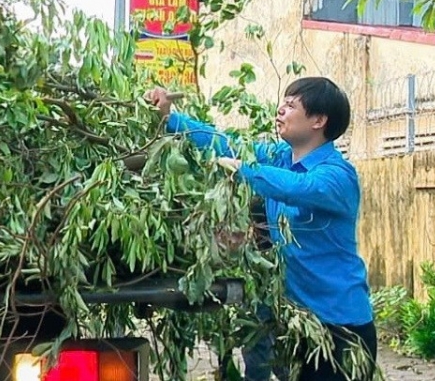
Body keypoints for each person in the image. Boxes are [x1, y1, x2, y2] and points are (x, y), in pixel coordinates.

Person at [145, 77, 377, 381]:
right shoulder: (282, 157)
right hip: (299, 327)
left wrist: (242, 168)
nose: (280, 110)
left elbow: (297, 188)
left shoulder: (338, 176)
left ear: (319, 120)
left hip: (341, 330)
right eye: (283, 102)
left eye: (291, 105)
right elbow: (225, 141)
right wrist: (170, 118)